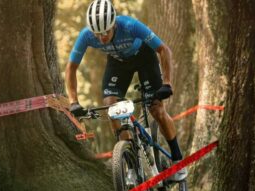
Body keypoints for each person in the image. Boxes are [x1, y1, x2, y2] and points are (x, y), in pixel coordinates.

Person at [65, 0, 187, 181]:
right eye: (97, 33)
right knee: (110, 106)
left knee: (157, 109)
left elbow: (163, 50)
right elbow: (71, 68)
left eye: (106, 31)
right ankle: (131, 164)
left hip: (144, 57)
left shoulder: (130, 25)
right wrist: (73, 102)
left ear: (114, 23)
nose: (102, 37)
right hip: (118, 63)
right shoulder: (86, 35)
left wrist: (167, 83)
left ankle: (178, 160)